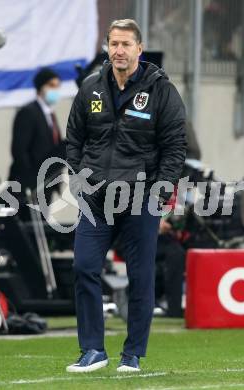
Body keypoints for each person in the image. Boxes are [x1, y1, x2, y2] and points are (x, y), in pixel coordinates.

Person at [66, 19, 186, 373]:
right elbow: (74, 139)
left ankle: (131, 354)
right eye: (113, 44)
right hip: (96, 199)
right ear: (107, 47)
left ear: (139, 48)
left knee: (140, 276)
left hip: (140, 199)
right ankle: (92, 350)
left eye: (125, 44)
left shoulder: (161, 90)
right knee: (84, 267)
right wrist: (81, 180)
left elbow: (175, 147)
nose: (118, 50)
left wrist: (159, 192)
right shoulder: (91, 88)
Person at [8, 68, 65, 219]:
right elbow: (19, 151)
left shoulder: (50, 115)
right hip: (30, 187)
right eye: (52, 86)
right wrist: (32, 180)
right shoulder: (28, 112)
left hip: (47, 185)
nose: (56, 90)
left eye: (57, 86)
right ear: (41, 87)